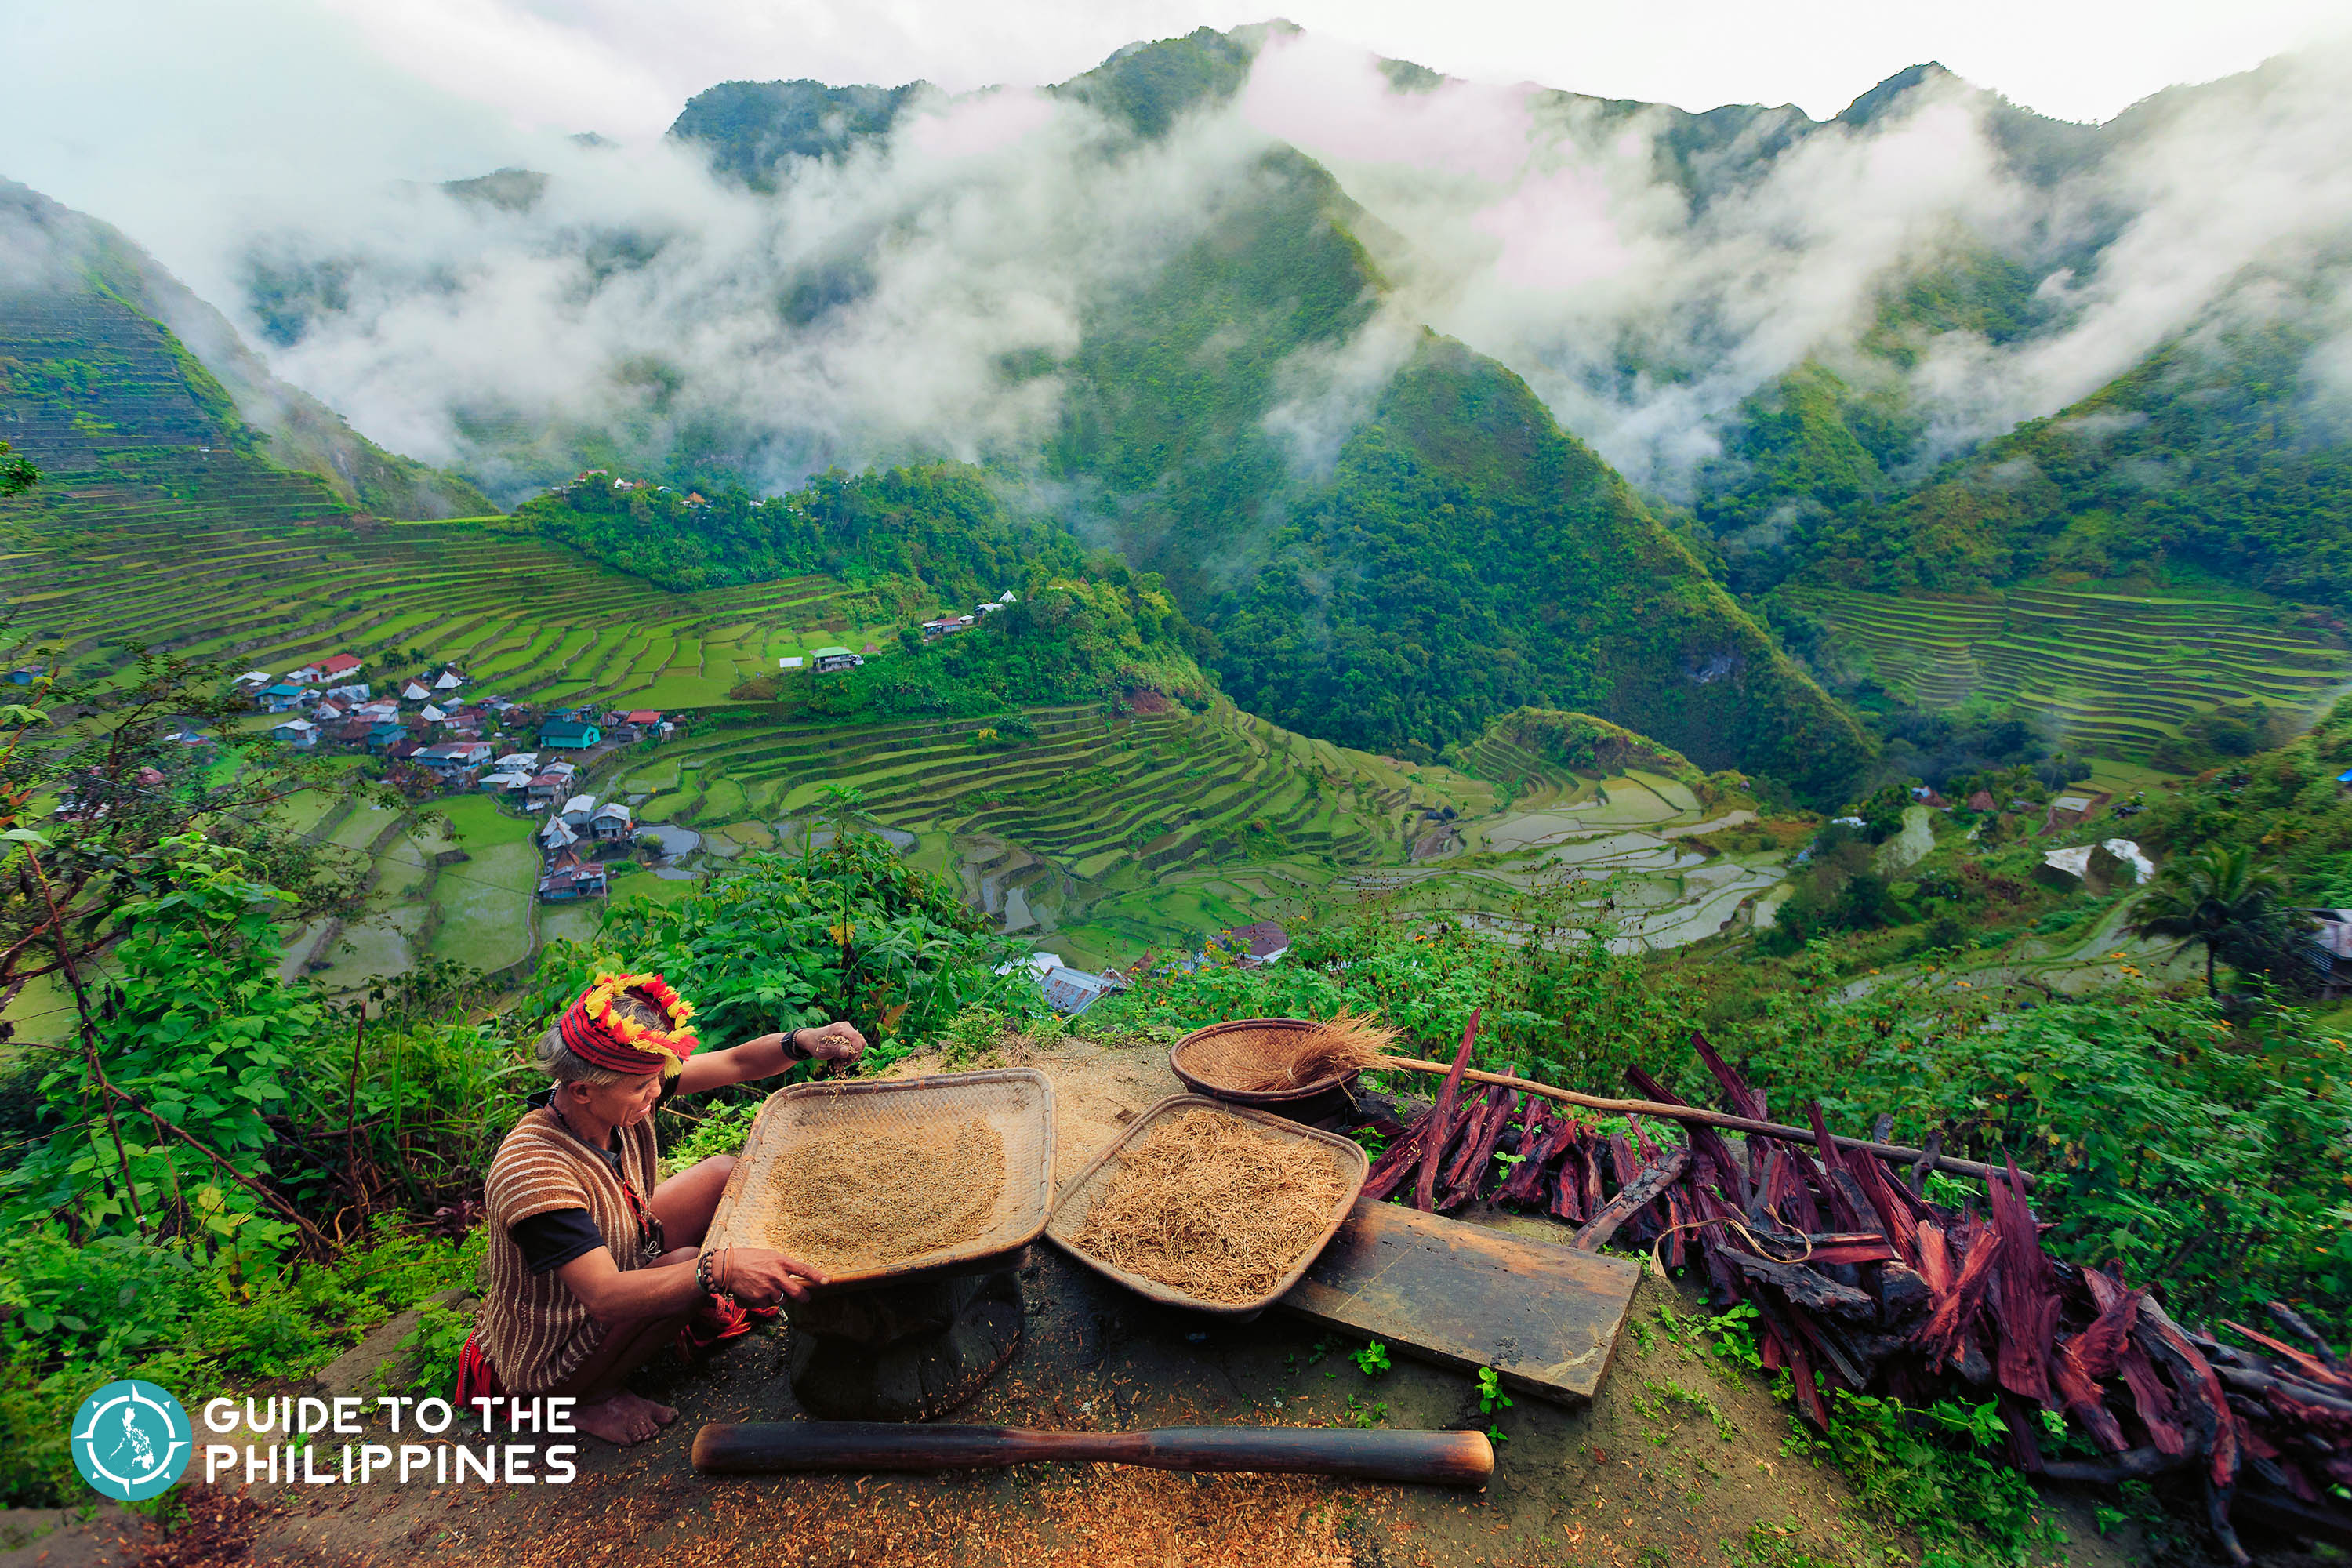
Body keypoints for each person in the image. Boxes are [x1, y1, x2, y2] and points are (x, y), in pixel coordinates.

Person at [459, 971, 866, 1445]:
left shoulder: (623, 1091)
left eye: (656, 1080)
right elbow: (605, 1295)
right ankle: (587, 1399)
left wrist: (802, 1042)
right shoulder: (534, 1175)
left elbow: (735, 1062)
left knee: (719, 1175)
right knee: (689, 1268)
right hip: (556, 1347)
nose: (656, 1093)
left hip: (621, 1248)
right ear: (581, 1090)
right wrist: (719, 1269)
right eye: (641, 1088)